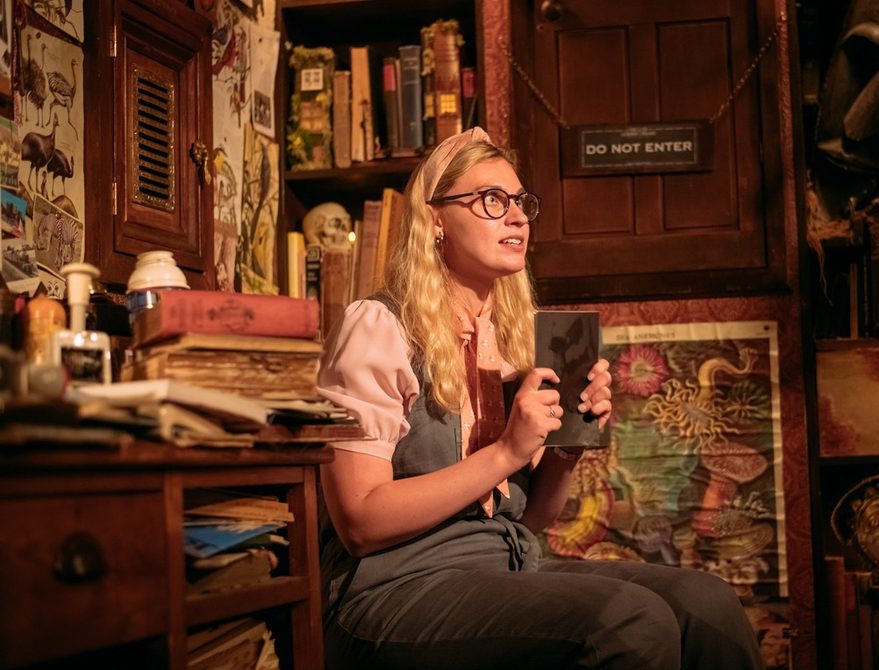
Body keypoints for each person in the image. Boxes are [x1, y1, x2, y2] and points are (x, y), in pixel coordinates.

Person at [316, 127, 765, 670]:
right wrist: (507, 451)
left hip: (505, 565)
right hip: (395, 589)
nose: (518, 217)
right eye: (492, 201)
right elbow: (360, 523)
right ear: (435, 219)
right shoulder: (379, 326)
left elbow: (528, 522)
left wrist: (566, 448)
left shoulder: (518, 336)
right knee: (630, 621)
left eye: (521, 203)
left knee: (707, 605)